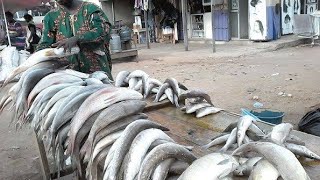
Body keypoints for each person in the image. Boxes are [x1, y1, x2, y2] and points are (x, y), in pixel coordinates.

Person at [36, 0, 113, 80]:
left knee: (104, 90)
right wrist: (34, 57)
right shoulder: (51, 17)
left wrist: (77, 38)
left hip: (96, 71)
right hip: (68, 77)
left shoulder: (91, 9)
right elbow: (45, 44)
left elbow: (102, 32)